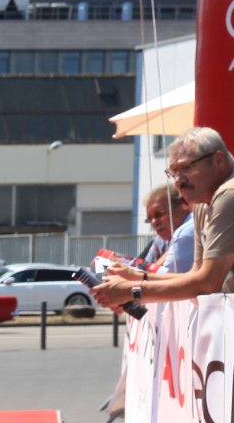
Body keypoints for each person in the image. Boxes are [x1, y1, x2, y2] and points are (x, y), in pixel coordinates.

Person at [97, 126, 234, 307]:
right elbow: (195, 275)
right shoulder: (202, 203)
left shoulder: (228, 194)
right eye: (173, 172)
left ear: (219, 161)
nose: (178, 180)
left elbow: (208, 283)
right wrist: (137, 277)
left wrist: (131, 291)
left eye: (186, 167)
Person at [141, 183, 196, 274]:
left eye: (159, 214)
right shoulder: (160, 239)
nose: (154, 222)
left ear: (184, 204)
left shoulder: (189, 229)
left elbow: (158, 275)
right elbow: (144, 269)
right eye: (150, 219)